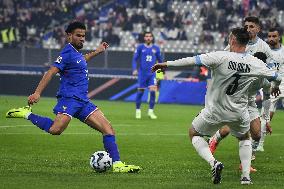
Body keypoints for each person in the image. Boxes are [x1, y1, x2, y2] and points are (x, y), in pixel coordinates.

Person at [5, 21, 140, 173]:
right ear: (69, 36)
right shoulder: (66, 53)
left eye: (84, 36)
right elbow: (51, 72)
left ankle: (117, 165)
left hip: (83, 101)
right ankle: (26, 114)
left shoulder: (76, 54)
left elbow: (82, 60)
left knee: (108, 129)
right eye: (78, 35)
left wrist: (97, 51)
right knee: (56, 130)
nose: (82, 38)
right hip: (69, 99)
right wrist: (37, 92)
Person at [151, 27, 281, 185]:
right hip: (239, 112)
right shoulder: (255, 63)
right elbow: (276, 76)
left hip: (215, 110)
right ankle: (246, 177)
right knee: (244, 137)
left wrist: (167, 64)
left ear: (232, 40)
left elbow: (192, 60)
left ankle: (214, 163)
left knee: (194, 134)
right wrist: (275, 86)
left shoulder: (220, 56)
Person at [209, 17, 274, 168]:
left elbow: (269, 72)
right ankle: (245, 163)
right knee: (237, 128)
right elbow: (221, 61)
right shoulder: (235, 43)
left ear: (258, 29)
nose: (249, 29)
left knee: (256, 134)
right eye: (246, 26)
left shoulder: (264, 48)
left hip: (250, 97)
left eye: (252, 26)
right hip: (235, 95)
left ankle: (216, 140)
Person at [258, 28, 284, 151]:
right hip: (271, 87)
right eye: (269, 36)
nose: (271, 38)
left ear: (279, 37)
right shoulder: (265, 52)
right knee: (265, 116)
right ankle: (260, 145)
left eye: (274, 36)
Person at [132, 31, 163, 119]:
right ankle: (138, 110)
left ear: (152, 38)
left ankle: (151, 111)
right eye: (147, 36)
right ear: (144, 38)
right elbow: (135, 59)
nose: (148, 38)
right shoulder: (140, 47)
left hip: (152, 74)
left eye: (150, 36)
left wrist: (161, 73)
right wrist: (134, 69)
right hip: (142, 74)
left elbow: (160, 61)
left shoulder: (156, 48)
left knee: (153, 92)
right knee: (140, 92)